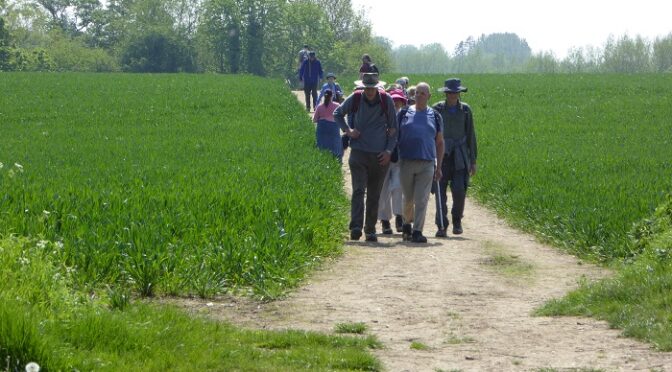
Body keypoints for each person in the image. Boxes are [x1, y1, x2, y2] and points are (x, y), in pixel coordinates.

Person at [334, 73, 398, 242]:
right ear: (363, 87)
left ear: (377, 87)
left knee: (374, 194)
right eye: (367, 88)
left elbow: (394, 129)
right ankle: (355, 227)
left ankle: (370, 229)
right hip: (359, 153)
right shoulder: (355, 98)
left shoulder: (387, 101)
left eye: (372, 88)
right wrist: (348, 131)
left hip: (380, 157)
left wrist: (388, 152)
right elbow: (337, 113)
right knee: (358, 190)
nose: (370, 91)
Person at [397, 83, 444, 243]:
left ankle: (417, 231)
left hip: (427, 163)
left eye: (423, 93)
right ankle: (406, 225)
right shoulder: (404, 113)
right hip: (406, 161)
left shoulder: (435, 116)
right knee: (408, 197)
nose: (419, 96)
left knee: (421, 199)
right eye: (417, 93)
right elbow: (394, 135)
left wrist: (439, 166)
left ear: (429, 96)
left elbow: (439, 142)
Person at [433, 78, 477, 236]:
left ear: (459, 93)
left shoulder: (466, 110)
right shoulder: (437, 109)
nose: (453, 95)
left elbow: (471, 135)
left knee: (459, 190)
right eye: (450, 92)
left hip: (460, 156)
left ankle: (457, 220)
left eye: (455, 92)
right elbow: (431, 133)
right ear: (446, 93)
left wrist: (473, 161)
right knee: (440, 191)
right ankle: (441, 225)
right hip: (441, 155)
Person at [378, 88, 406, 234]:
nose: (395, 103)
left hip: (399, 159)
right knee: (383, 190)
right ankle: (385, 221)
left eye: (398, 101)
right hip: (382, 158)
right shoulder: (381, 115)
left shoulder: (405, 117)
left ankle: (399, 217)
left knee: (398, 187)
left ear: (402, 102)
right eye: (393, 100)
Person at [312, 89, 343, 161]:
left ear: (324, 96)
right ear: (332, 96)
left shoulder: (319, 106)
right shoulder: (337, 105)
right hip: (334, 127)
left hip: (322, 127)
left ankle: (322, 160)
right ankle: (337, 160)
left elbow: (314, 120)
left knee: (322, 144)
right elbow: (341, 117)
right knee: (336, 144)